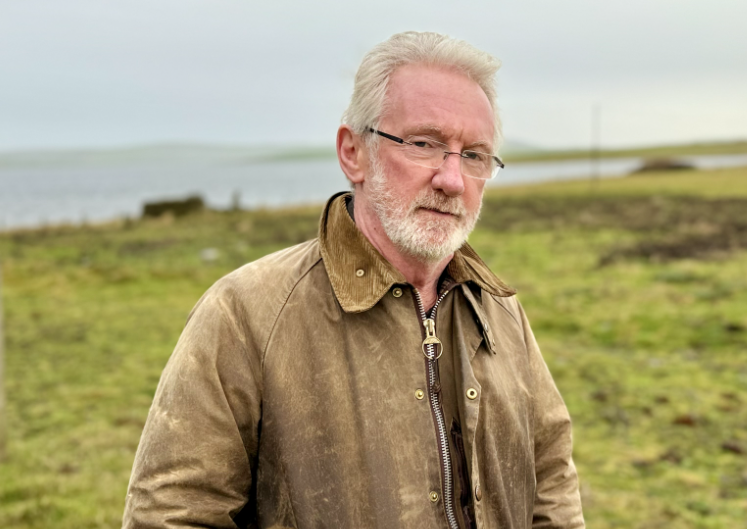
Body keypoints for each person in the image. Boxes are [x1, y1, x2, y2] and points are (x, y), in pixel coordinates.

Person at [123, 31, 584, 529]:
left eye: (473, 155)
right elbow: (172, 516)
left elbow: (552, 481)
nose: (452, 179)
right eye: (424, 144)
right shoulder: (245, 314)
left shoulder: (500, 312)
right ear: (353, 152)